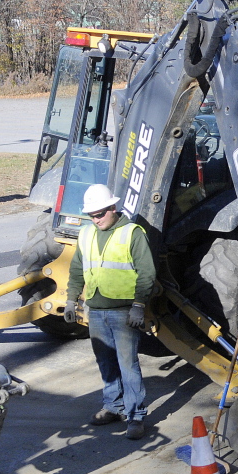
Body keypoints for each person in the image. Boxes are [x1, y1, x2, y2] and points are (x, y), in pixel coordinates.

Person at [65, 184, 156, 440]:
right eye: (92, 215)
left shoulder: (132, 233)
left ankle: (136, 415)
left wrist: (139, 306)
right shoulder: (85, 234)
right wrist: (71, 300)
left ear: (112, 209)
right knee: (105, 362)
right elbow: (76, 269)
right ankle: (113, 407)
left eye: (100, 214)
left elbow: (146, 273)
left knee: (128, 365)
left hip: (124, 312)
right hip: (96, 310)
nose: (96, 219)